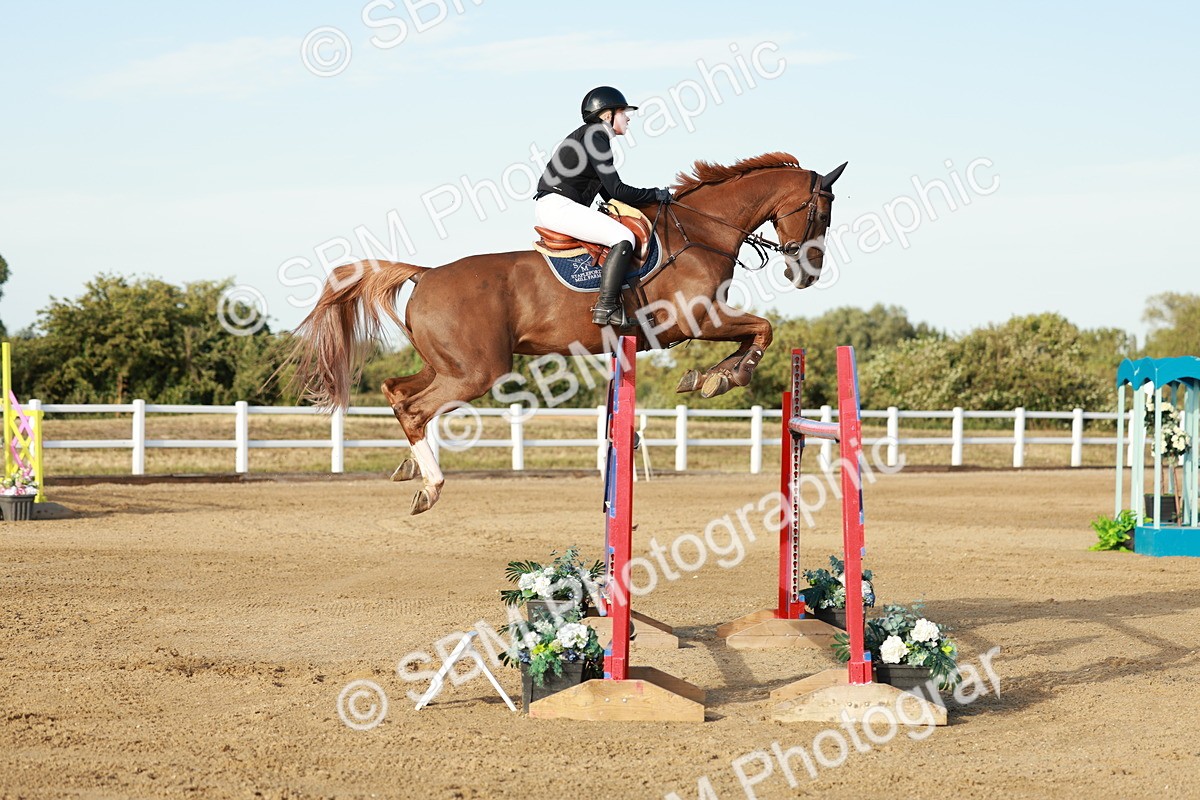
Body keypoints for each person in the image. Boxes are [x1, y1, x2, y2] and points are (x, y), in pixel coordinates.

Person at [534, 86, 672, 328]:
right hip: (558, 206)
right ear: (606, 115)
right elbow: (618, 191)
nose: (628, 117)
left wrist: (649, 200)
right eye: (623, 112)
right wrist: (655, 194)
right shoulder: (596, 135)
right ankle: (607, 306)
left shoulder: (591, 136)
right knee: (623, 237)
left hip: (556, 204)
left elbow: (609, 194)